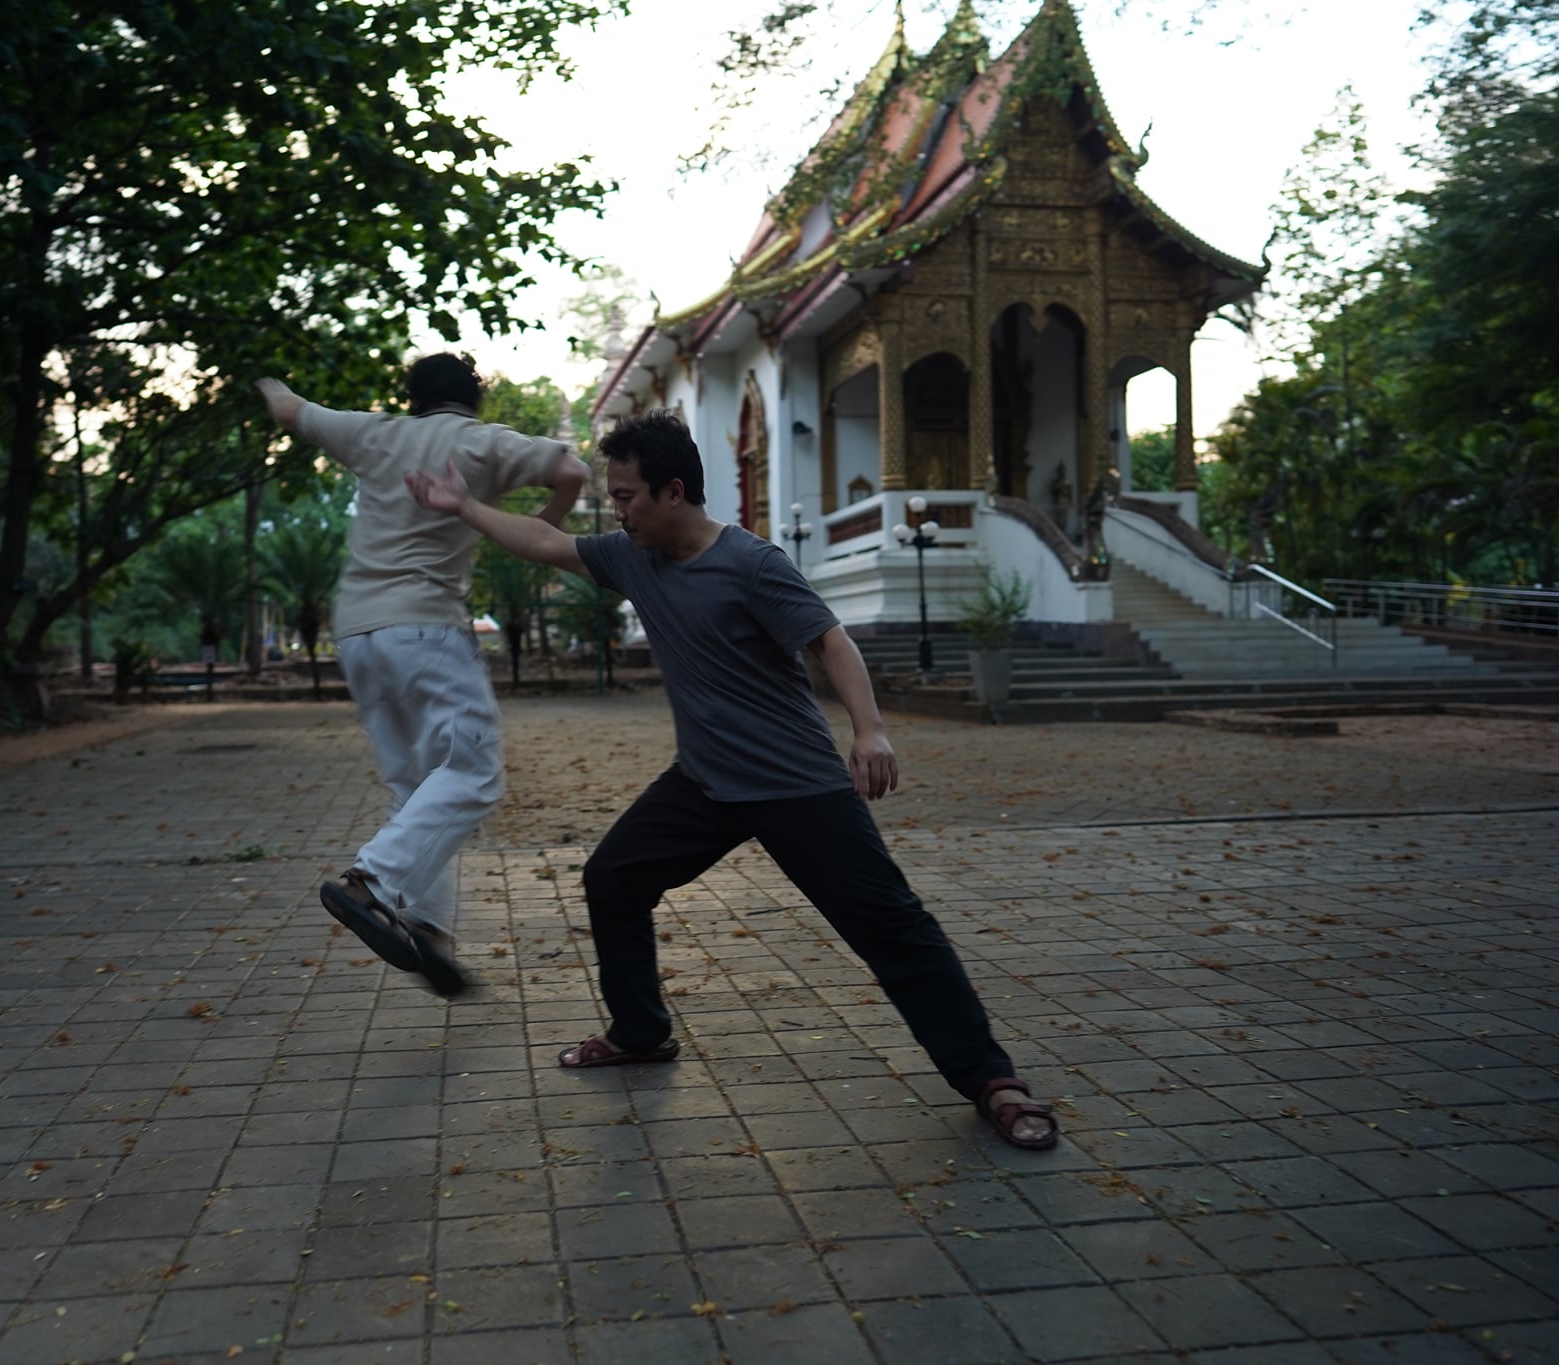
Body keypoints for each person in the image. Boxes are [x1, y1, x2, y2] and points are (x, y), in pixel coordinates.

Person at [406, 410, 1056, 1149]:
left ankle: (993, 1080)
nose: (617, 512)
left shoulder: (752, 563)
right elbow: (547, 541)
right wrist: (462, 506)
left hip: (796, 785)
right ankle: (641, 1031)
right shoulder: (633, 555)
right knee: (613, 878)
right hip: (707, 784)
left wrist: (870, 729)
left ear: (674, 490)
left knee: (893, 928)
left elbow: (831, 640)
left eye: (627, 496)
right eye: (613, 498)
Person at [258, 354, 588, 997]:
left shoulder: (373, 432)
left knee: (416, 782)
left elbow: (289, 408)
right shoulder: (482, 442)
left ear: (412, 398)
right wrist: (548, 519)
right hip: (427, 628)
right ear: (473, 398)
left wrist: (270, 383)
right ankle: (370, 882)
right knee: (475, 770)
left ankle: (424, 926)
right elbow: (573, 468)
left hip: (356, 634)